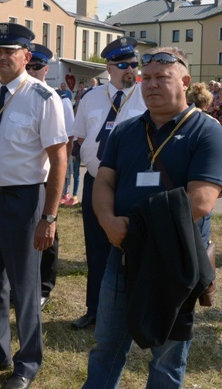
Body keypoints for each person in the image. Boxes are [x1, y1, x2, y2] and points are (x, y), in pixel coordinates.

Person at [83, 47, 222, 388]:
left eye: (161, 77)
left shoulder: (207, 133)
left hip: (173, 261)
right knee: (106, 345)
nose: (150, 84)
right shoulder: (125, 131)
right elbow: (104, 180)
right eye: (145, 78)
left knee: (166, 358)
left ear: (185, 82)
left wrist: (134, 229)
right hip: (122, 256)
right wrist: (107, 219)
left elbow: (201, 201)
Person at [0, 23, 67, 389]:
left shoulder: (42, 98)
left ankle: (28, 361)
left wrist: (49, 217)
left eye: (11, 52)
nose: (3, 57)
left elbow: (59, 159)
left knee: (24, 285)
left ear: (27, 56)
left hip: (24, 201)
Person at [72, 37, 147, 330]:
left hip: (131, 185)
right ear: (109, 68)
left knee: (133, 248)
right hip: (95, 182)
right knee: (97, 247)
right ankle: (95, 309)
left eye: (133, 64)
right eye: (123, 65)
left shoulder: (144, 96)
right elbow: (80, 137)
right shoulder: (91, 97)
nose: (130, 70)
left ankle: (132, 311)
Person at [26, 43, 73, 309]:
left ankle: (44, 285)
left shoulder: (57, 99)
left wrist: (61, 179)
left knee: (48, 230)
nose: (30, 71)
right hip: (27, 175)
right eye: (28, 66)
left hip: (48, 173)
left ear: (46, 69)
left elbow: (65, 145)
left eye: (35, 67)